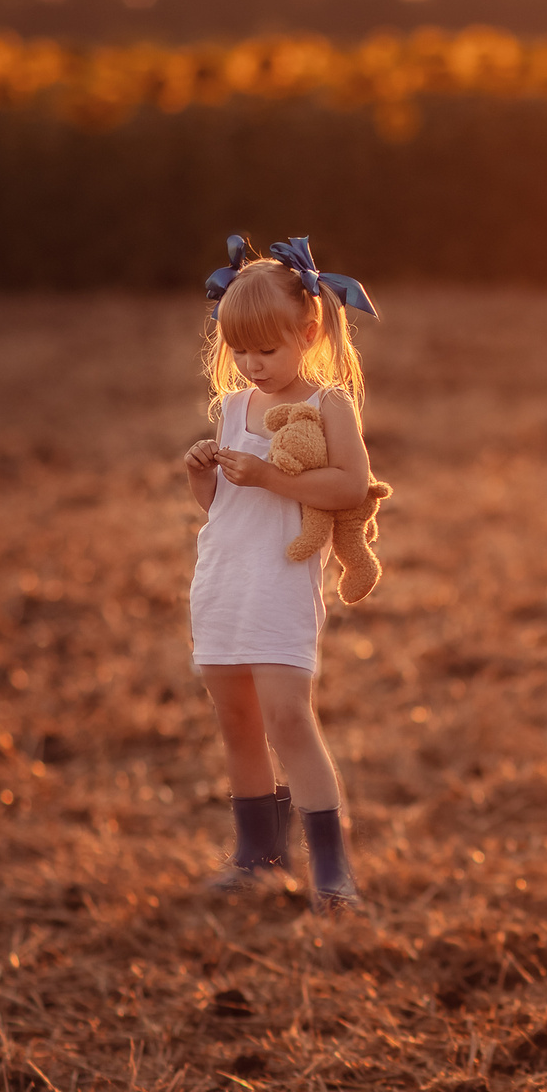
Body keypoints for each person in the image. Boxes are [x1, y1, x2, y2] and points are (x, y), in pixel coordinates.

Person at [184, 235, 381, 912]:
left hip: (278, 584)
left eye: (266, 351)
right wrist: (200, 480)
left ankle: (332, 872)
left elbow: (351, 486)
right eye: (239, 351)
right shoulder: (233, 408)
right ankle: (258, 856)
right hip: (221, 580)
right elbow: (224, 511)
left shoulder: (329, 406)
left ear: (309, 332)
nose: (250, 365)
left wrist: (268, 473)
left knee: (288, 719)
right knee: (237, 719)